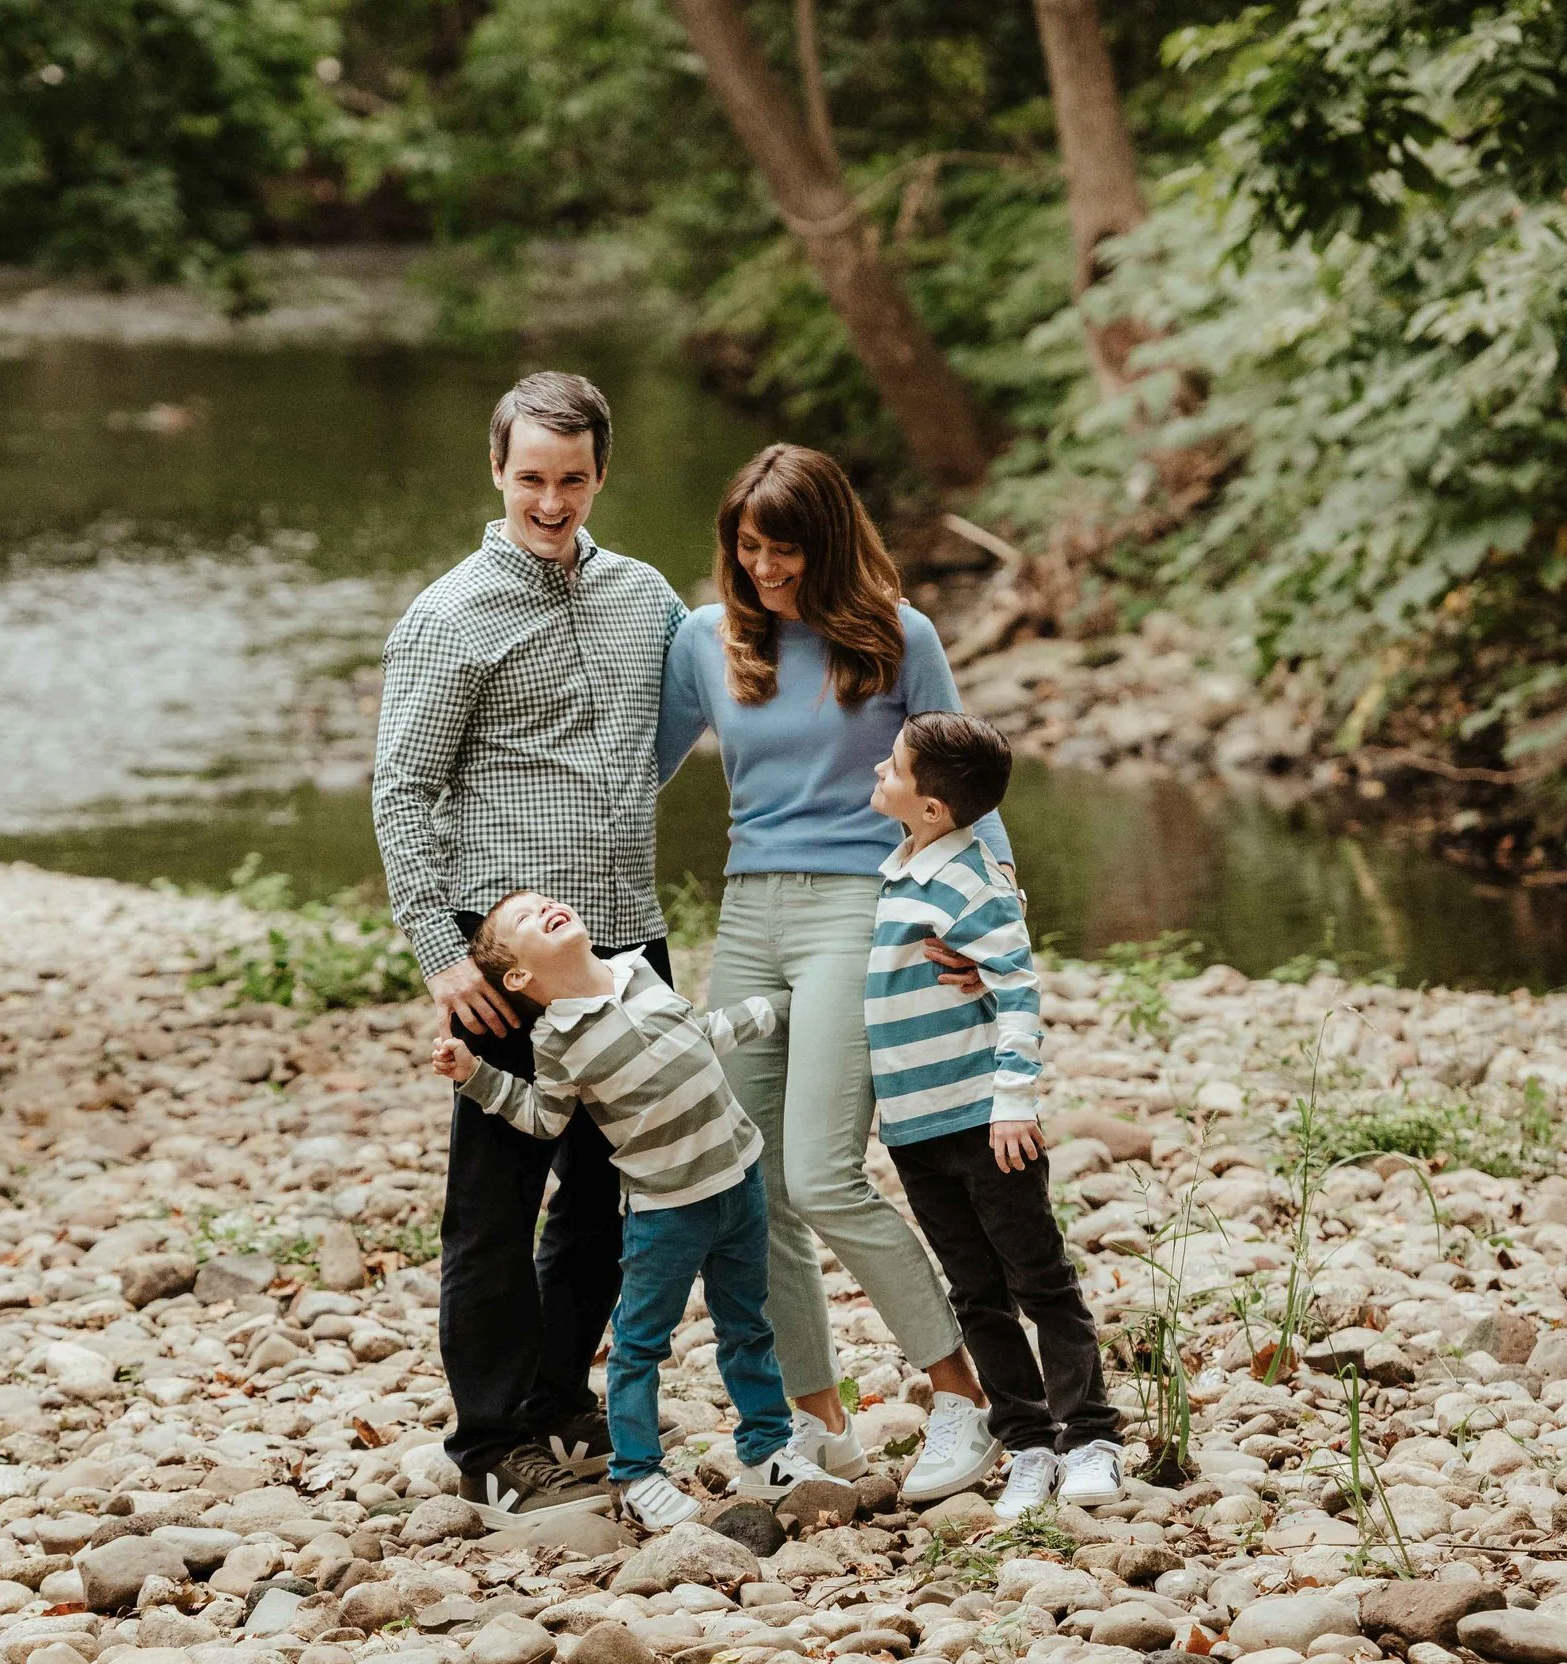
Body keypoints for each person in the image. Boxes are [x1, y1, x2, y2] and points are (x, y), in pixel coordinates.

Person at [656, 442, 1007, 1503]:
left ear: (833, 544)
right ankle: (818, 1423)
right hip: (749, 913)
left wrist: (990, 932)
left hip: (864, 911)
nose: (765, 570)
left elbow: (969, 791)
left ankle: (962, 1399)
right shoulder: (702, 641)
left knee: (821, 1173)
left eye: (786, 551)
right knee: (745, 1181)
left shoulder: (901, 638)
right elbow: (629, 770)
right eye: (748, 549)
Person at [372, 371, 685, 1523]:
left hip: (627, 939)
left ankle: (559, 1395)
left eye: (571, 479)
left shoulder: (646, 598)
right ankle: (492, 1438)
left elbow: (678, 730)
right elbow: (402, 792)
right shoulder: (449, 617)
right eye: (530, 479)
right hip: (500, 948)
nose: (550, 502)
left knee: (614, 1190)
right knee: (496, 1202)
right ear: (496, 472)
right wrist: (439, 955)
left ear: (601, 473)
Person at [430, 890, 840, 1529]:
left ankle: (766, 1450)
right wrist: (475, 1075)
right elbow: (544, 1118)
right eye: (524, 919)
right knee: (640, 1345)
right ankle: (638, 1474)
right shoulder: (557, 1040)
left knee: (747, 1325)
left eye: (547, 901)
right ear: (518, 977)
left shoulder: (639, 971)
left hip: (739, 1182)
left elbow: (699, 1034)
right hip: (667, 1210)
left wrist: (780, 1006)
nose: (545, 909)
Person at [865, 712, 1123, 1519]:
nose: (880, 767)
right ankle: (1025, 1442)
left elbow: (1017, 993)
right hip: (915, 1127)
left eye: (894, 764)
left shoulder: (972, 880)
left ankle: (1089, 1436)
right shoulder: (901, 867)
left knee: (1038, 1279)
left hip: (984, 1121)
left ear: (933, 807)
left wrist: (1012, 1103)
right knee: (975, 1290)